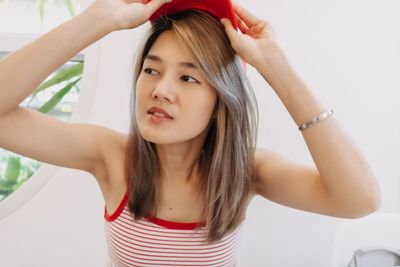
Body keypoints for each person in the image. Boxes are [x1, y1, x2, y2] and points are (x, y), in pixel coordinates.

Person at [0, 0, 381, 266]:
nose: (161, 89)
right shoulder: (112, 156)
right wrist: (98, 20)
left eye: (187, 77)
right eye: (151, 70)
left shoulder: (247, 172)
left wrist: (276, 66)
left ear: (220, 103)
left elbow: (359, 199)